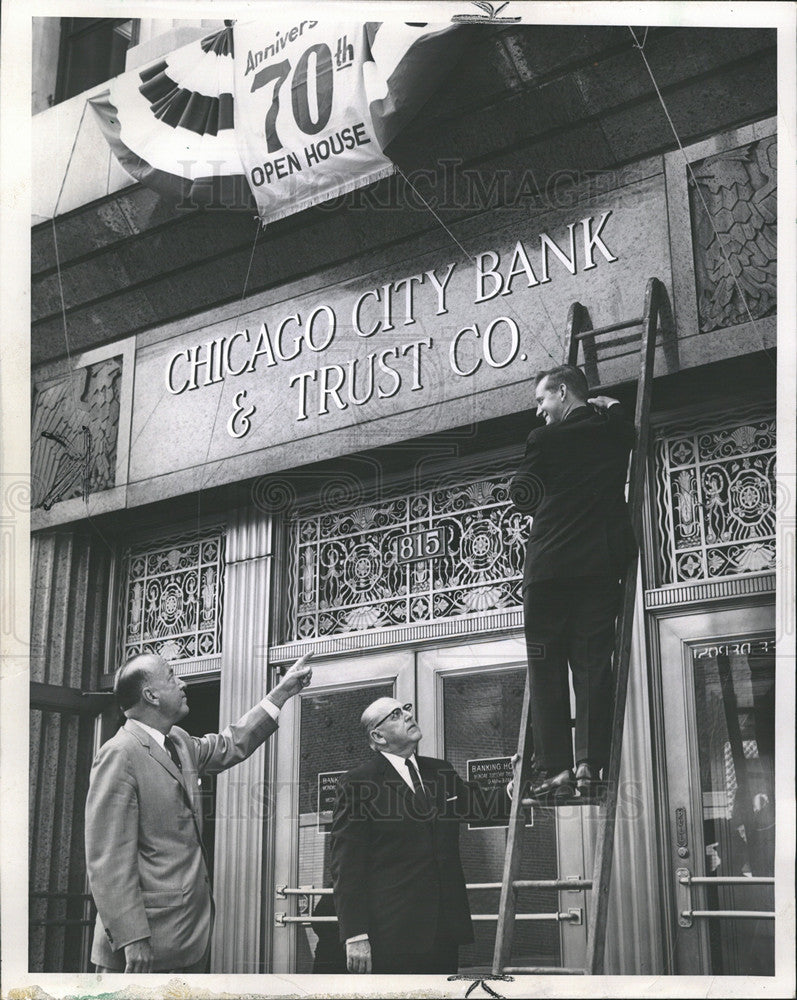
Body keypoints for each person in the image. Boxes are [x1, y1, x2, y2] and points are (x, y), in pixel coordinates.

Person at [85, 650, 313, 973]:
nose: (183, 682)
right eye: (171, 676)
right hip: (142, 950)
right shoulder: (119, 754)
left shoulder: (177, 741)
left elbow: (230, 743)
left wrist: (283, 691)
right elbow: (107, 860)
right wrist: (131, 938)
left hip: (189, 941)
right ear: (151, 696)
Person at [509, 364, 635, 797]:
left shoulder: (543, 440)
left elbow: (520, 493)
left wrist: (549, 499)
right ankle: (589, 766)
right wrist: (612, 405)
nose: (539, 411)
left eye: (542, 400)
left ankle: (557, 770)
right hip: (599, 568)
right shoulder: (611, 431)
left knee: (545, 668)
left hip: (547, 572)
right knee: (593, 664)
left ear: (562, 393)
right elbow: (630, 433)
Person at [330, 697, 504, 976]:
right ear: (378, 736)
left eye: (406, 709)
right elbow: (345, 865)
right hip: (391, 933)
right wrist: (355, 934)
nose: (408, 716)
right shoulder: (358, 783)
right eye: (396, 714)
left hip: (444, 928)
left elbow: (479, 806)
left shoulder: (440, 771)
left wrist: (513, 788)